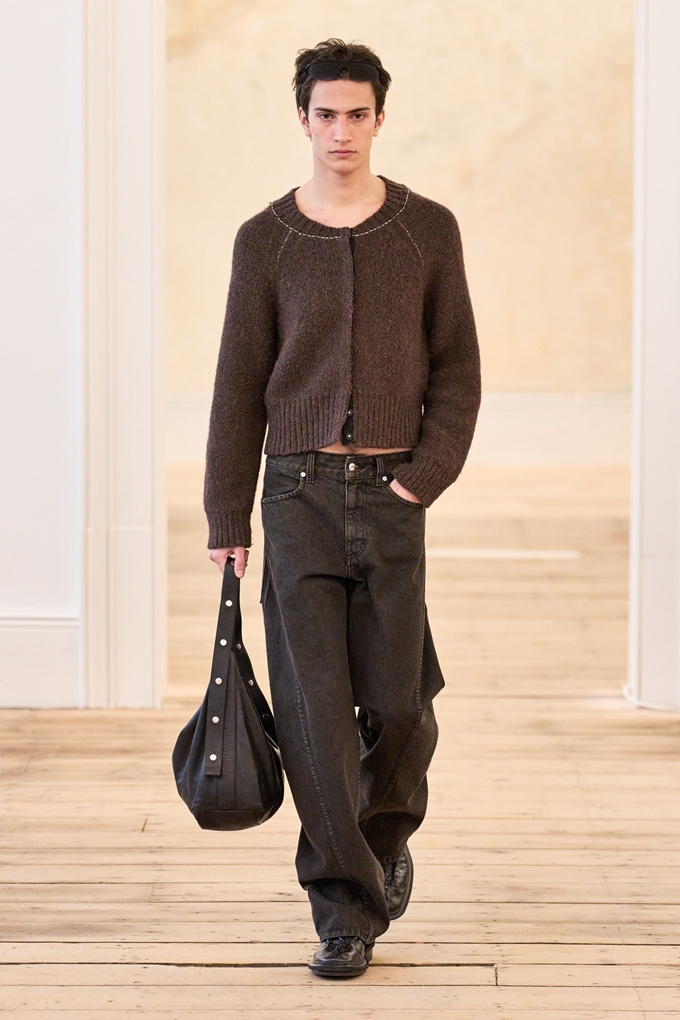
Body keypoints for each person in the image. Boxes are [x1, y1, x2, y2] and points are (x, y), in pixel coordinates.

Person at [203, 37, 481, 978]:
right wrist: (228, 516)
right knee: (315, 718)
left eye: (357, 114)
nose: (341, 131)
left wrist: (421, 477)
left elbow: (458, 368)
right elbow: (238, 384)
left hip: (393, 495)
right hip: (297, 496)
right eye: (325, 114)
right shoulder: (266, 239)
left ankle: (384, 835)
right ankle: (344, 911)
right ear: (303, 119)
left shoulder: (427, 229)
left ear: (379, 118)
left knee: (399, 707)